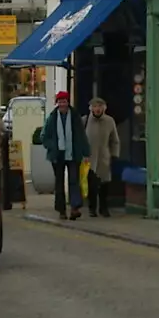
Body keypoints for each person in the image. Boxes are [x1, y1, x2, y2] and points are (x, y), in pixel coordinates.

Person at [39, 90, 89, 220]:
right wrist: (53, 146)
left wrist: (86, 152)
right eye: (60, 101)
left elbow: (81, 136)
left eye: (64, 101)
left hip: (73, 153)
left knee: (74, 181)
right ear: (57, 103)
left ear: (68, 102)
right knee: (59, 183)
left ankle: (74, 208)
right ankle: (61, 210)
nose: (62, 104)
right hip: (57, 155)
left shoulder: (75, 117)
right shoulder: (52, 117)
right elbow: (43, 136)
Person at [83, 97, 120, 218]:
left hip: (104, 157)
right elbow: (79, 140)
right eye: (95, 106)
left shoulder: (109, 121)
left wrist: (114, 155)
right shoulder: (85, 120)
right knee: (91, 184)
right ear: (91, 108)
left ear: (104, 108)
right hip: (89, 158)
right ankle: (92, 208)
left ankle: (104, 208)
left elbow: (114, 140)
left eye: (99, 106)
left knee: (104, 184)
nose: (97, 109)